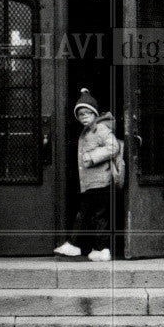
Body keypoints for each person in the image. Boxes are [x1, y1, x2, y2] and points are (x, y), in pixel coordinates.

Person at [54, 88, 121, 262]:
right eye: (80, 114)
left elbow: (114, 147)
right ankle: (99, 249)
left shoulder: (100, 129)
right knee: (95, 216)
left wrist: (91, 157)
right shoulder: (86, 131)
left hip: (101, 182)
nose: (84, 116)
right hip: (91, 183)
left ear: (95, 114)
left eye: (87, 113)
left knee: (91, 214)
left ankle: (77, 245)